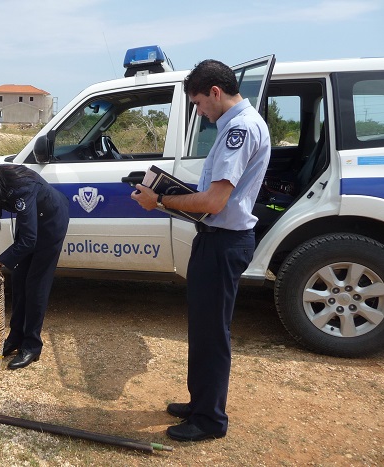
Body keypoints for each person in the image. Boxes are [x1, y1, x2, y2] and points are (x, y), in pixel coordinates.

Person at [131, 59, 270, 442]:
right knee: (204, 328)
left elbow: (214, 202)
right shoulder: (237, 126)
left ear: (215, 92)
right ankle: (200, 403)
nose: (198, 112)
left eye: (197, 103)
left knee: (212, 333)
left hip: (223, 242)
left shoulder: (239, 129)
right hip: (217, 240)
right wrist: (170, 191)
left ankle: (209, 420)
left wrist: (160, 200)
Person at [0, 159, 69, 370]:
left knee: (35, 285)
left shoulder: (21, 187)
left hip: (51, 221)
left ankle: (32, 345)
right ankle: (15, 337)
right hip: (30, 224)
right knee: (19, 280)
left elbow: (28, 240)